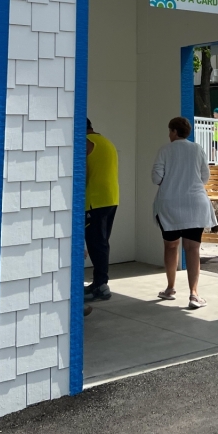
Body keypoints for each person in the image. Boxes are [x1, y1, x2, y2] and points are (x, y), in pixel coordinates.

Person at [152, 117, 217, 310]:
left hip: (169, 205)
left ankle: (170, 288)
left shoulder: (164, 150)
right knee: (192, 249)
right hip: (195, 203)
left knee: (171, 246)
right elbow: (205, 176)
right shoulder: (197, 149)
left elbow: (156, 178)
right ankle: (194, 295)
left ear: (173, 131)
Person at [84, 118, 119, 302]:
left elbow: (80, 172)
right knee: (101, 241)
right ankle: (99, 282)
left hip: (95, 201)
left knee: (96, 243)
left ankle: (101, 285)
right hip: (111, 198)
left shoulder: (87, 143)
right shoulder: (106, 142)